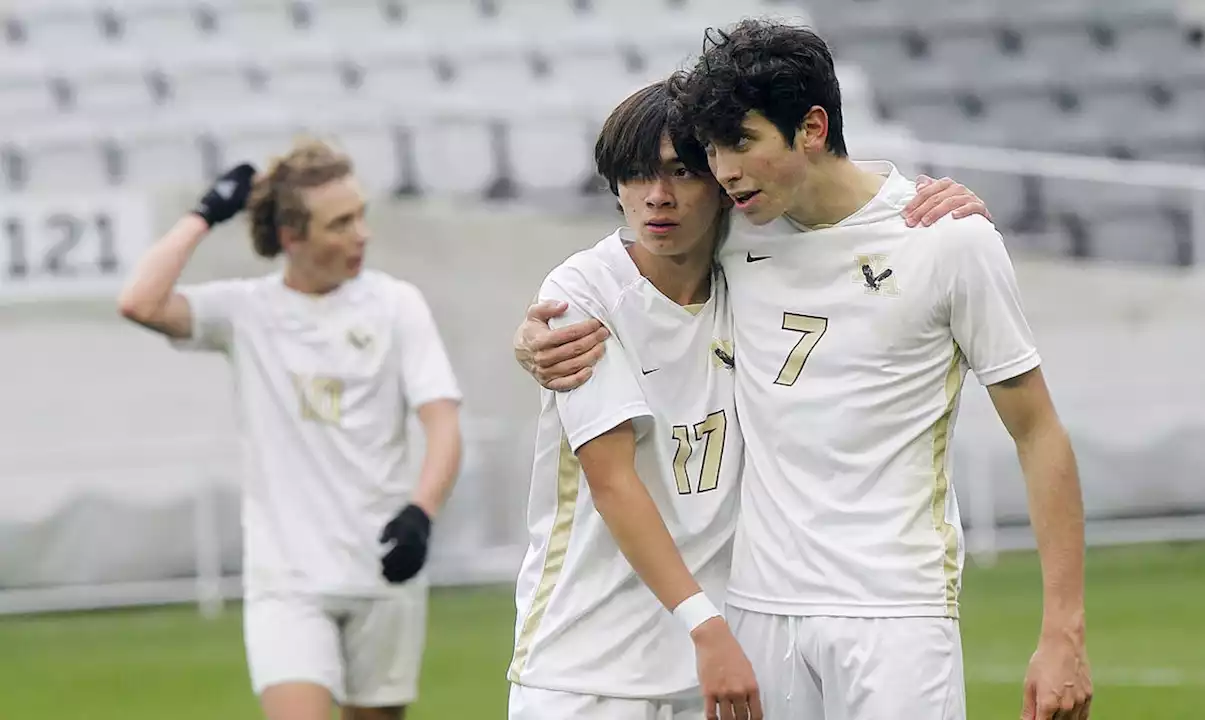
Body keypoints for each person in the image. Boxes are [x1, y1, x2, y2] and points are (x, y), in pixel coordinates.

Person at [515, 18, 1092, 720]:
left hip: (895, 610)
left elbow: (1037, 432)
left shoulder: (946, 242)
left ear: (811, 128)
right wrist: (534, 339)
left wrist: (1064, 630)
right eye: (715, 150)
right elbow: (630, 259)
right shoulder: (736, 231)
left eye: (742, 144)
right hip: (758, 612)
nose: (724, 171)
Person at [116, 140, 463, 720]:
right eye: (341, 222)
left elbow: (443, 422)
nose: (362, 235)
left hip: (383, 568)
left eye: (361, 215)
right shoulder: (246, 311)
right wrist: (204, 215)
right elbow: (140, 302)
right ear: (291, 238)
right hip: (288, 580)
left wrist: (421, 514)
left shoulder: (397, 305)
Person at [507, 81, 760, 720]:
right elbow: (613, 482)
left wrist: (918, 194)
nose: (657, 197)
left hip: (714, 669)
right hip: (585, 670)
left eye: (681, 172)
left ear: (722, 177)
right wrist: (706, 626)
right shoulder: (580, 291)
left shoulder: (761, 272)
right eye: (636, 174)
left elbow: (823, 185)